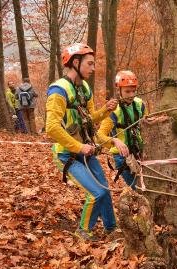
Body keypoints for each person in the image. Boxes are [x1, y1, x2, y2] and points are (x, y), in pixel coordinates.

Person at [45, 43, 119, 241]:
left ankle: (112, 229)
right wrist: (79, 147)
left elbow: (91, 118)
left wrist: (106, 110)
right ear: (76, 63)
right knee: (95, 193)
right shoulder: (58, 91)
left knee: (104, 189)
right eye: (90, 64)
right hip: (66, 154)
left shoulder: (84, 88)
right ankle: (83, 232)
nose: (93, 68)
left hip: (84, 151)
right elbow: (51, 127)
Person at [97, 70, 147, 189]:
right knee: (137, 189)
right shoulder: (113, 111)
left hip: (139, 153)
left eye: (134, 91)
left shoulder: (140, 104)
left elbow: (147, 125)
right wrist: (115, 141)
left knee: (147, 187)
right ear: (119, 91)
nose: (131, 95)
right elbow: (99, 135)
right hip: (122, 157)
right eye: (127, 91)